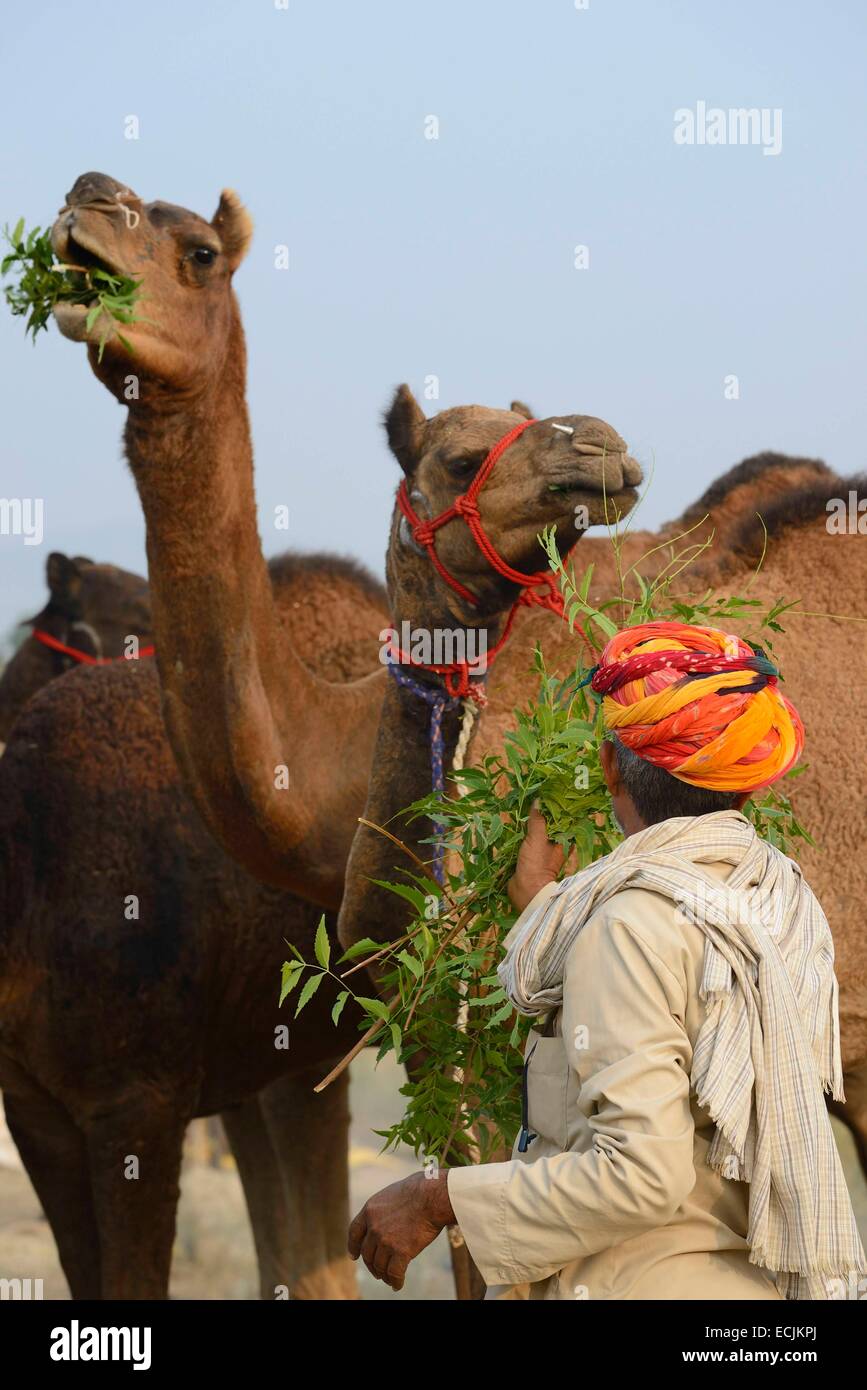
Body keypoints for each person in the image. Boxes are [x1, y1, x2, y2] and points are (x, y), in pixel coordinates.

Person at [348, 621, 865, 1299]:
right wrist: (545, 909)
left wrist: (436, 1197)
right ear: (745, 781)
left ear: (609, 766)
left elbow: (640, 1176)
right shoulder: (777, 899)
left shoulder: (626, 926)